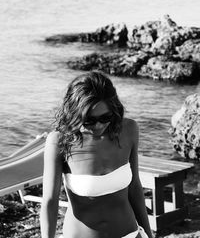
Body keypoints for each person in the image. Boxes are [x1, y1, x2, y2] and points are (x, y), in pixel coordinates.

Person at [40, 70, 153, 238]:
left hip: (130, 234)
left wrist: (148, 234)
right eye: (89, 120)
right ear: (74, 114)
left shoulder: (129, 130)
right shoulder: (60, 141)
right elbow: (50, 201)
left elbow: (135, 188)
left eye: (105, 117)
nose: (98, 125)